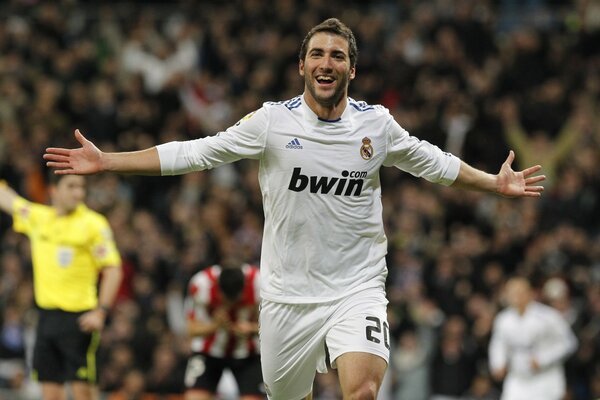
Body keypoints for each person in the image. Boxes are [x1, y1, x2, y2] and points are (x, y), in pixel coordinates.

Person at [44, 18, 545, 400]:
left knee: (363, 391)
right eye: (318, 55)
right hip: (287, 296)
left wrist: (493, 184)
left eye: (338, 56)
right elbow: (195, 152)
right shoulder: (271, 123)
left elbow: (433, 163)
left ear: (353, 67)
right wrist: (109, 161)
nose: (327, 63)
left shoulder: (377, 125)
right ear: (302, 65)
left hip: (358, 286)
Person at [0, 175, 123, 400]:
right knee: (50, 391)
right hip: (46, 318)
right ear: (53, 191)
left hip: (79, 320)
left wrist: (101, 311)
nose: (79, 193)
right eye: (71, 186)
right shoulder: (39, 218)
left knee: (82, 391)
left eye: (81, 187)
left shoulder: (93, 224)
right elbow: (8, 199)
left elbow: (113, 269)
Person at [183, 259, 263, 400]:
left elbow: (275, 327)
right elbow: (191, 329)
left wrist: (251, 329)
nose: (231, 305)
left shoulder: (260, 284)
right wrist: (215, 326)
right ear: (217, 288)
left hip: (248, 353)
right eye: (226, 300)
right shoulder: (200, 284)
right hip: (208, 352)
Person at [489, 276, 578, 400]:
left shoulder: (548, 316)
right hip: (517, 378)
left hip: (546, 378)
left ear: (530, 293)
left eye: (520, 292)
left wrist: (543, 359)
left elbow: (569, 343)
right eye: (512, 292)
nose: (516, 296)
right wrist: (498, 363)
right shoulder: (503, 319)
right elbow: (498, 343)